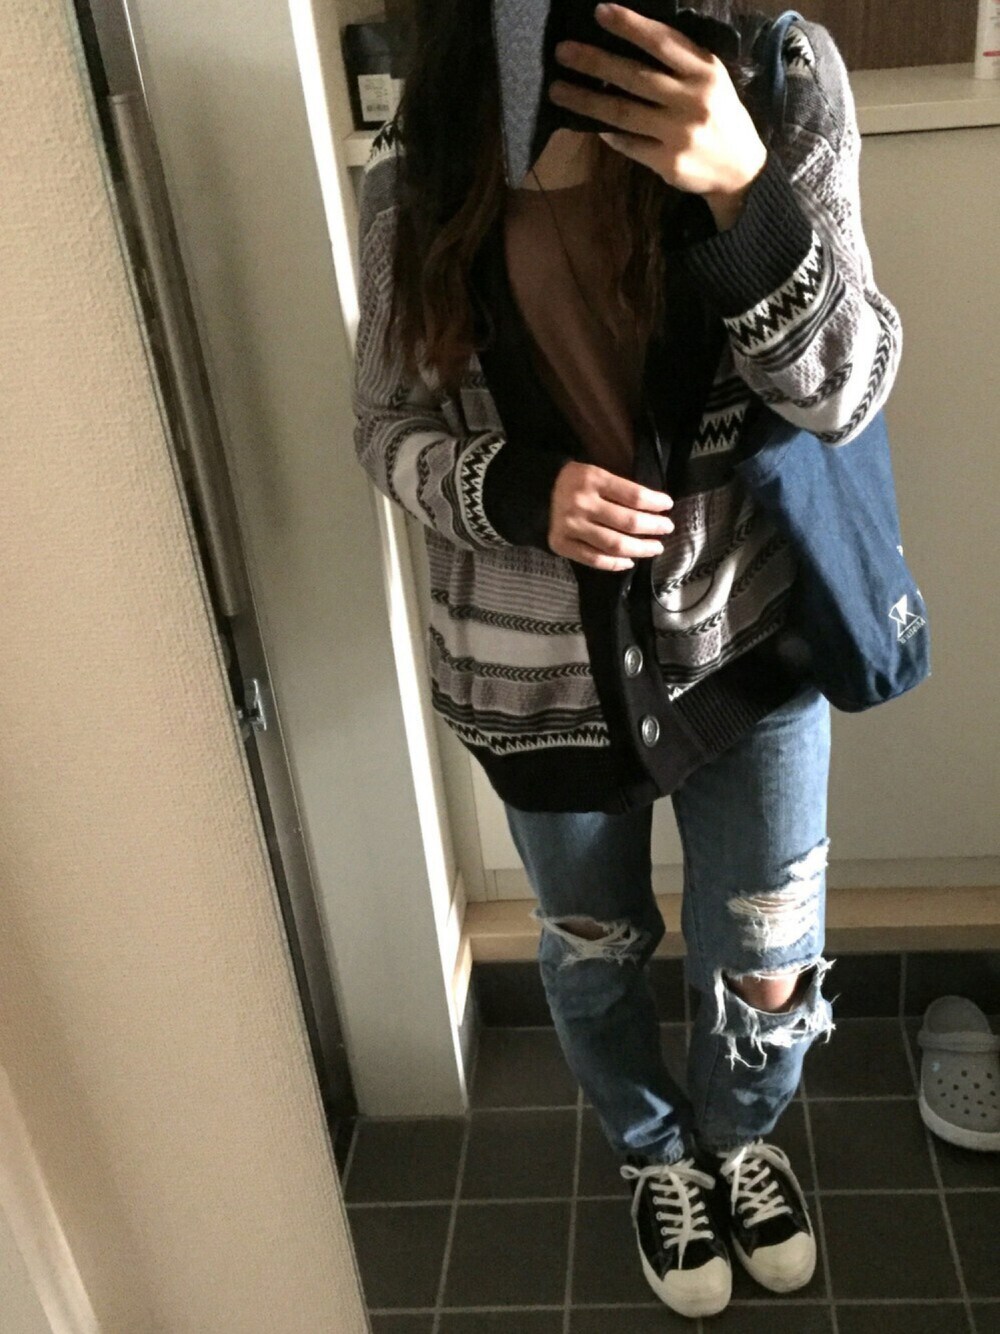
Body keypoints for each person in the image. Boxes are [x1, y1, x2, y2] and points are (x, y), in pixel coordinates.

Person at [352, 0, 902, 1320]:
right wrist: (511, 490)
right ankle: (657, 1156)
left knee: (769, 950)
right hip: (532, 665)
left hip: (749, 632)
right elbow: (384, 425)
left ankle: (740, 1137)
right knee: (592, 948)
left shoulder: (778, 78)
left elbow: (850, 389)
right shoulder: (421, 163)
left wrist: (744, 193)